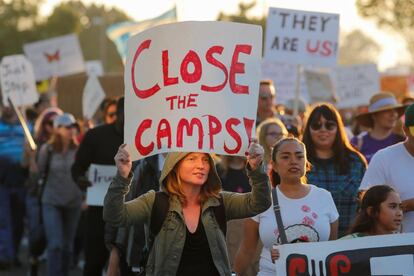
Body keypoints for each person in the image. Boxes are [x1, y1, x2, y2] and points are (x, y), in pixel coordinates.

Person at [103, 141, 271, 276]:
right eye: (192, 159)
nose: (201, 165)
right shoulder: (155, 201)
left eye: (205, 159)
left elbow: (259, 203)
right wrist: (122, 177)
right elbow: (114, 216)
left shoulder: (220, 201)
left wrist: (256, 170)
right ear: (174, 165)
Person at [234, 137, 339, 276]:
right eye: (285, 157)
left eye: (299, 156)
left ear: (306, 164)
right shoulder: (261, 200)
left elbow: (332, 250)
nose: (293, 161)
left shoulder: (324, 197)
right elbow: (247, 249)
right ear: (274, 166)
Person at [71, 97, 128, 276]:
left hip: (130, 213)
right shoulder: (96, 136)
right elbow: (77, 167)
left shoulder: (143, 140)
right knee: (95, 261)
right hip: (98, 212)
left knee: (127, 264)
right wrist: (81, 179)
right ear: (118, 114)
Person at [302, 103, 367, 236]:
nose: (323, 130)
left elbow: (367, 205)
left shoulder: (356, 162)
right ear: (308, 129)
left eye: (329, 125)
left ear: (338, 128)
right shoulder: (298, 162)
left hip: (351, 240)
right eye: (316, 125)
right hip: (309, 242)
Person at [37, 113, 82, 276]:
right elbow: (40, 172)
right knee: (55, 243)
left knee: (67, 246)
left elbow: (85, 174)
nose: (71, 130)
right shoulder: (46, 150)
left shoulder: (79, 150)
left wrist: (84, 197)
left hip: (74, 202)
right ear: (57, 129)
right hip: (51, 201)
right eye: (67, 127)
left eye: (73, 127)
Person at [359, 103, 414, 233]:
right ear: (405, 130)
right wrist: (403, 206)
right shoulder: (384, 158)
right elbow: (366, 204)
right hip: (397, 247)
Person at [23, 107, 63, 276]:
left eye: (56, 123)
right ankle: (34, 259)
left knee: (54, 237)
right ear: (43, 124)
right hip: (36, 194)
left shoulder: (64, 146)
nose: (52, 127)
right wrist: (31, 157)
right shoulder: (35, 144)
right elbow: (32, 174)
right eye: (49, 123)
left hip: (55, 196)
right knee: (35, 232)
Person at [351, 92, 406, 163]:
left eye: (395, 110)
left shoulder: (402, 141)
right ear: (374, 116)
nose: (393, 114)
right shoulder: (357, 143)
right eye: (387, 110)